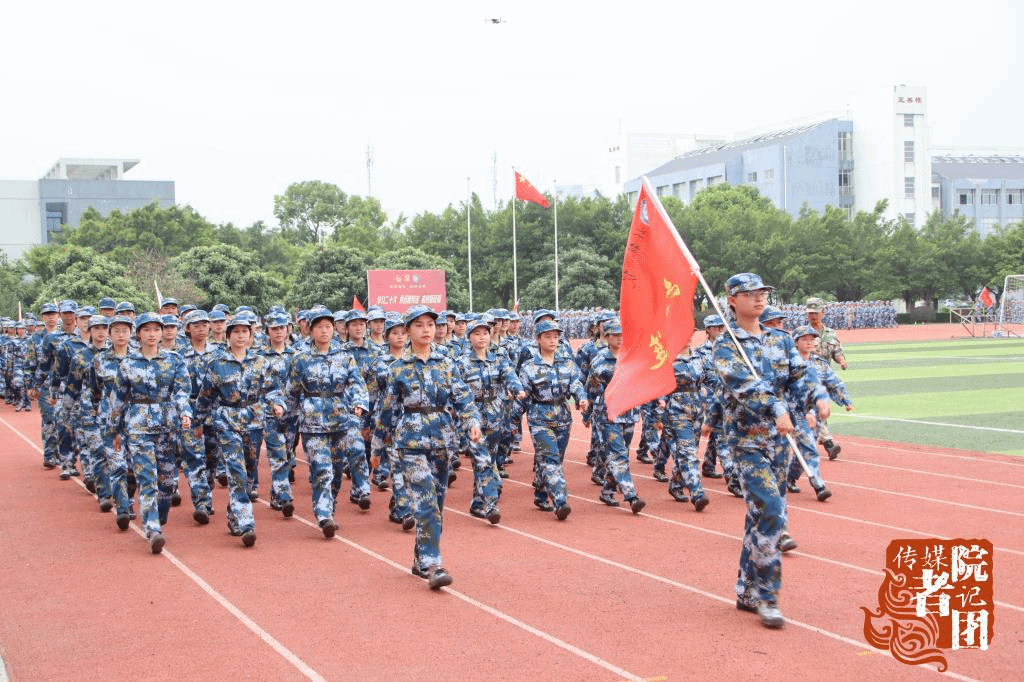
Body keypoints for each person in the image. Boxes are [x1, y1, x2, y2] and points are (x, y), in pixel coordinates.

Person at [714, 273, 810, 629]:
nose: (759, 299)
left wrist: (818, 398)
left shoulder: (780, 340)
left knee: (759, 515)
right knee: (772, 510)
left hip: (780, 442)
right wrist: (777, 408)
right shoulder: (726, 346)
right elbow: (745, 387)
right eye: (750, 294)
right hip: (747, 441)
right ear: (732, 300)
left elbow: (801, 377)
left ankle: (746, 589)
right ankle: (767, 596)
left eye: (763, 293)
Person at [374, 305, 482, 589]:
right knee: (425, 502)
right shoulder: (397, 368)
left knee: (438, 504)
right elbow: (388, 412)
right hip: (410, 442)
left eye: (430, 325)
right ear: (407, 330)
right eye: (419, 325)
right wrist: (377, 448)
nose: (426, 330)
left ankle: (420, 557)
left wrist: (472, 421)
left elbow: (463, 398)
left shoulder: (446, 363)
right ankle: (433, 563)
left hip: (442, 440)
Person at [108, 312, 192, 554]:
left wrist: (185, 412)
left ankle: (159, 515)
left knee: (167, 482)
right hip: (138, 426)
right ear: (139, 334)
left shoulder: (174, 360)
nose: (152, 334)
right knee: (147, 478)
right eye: (147, 330)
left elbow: (182, 391)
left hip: (167, 425)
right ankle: (153, 528)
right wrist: (114, 429)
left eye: (156, 329)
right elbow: (118, 399)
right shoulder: (128, 363)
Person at [196, 315, 283, 547]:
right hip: (227, 421)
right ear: (228, 336)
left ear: (251, 336)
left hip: (253, 421)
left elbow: (272, 389)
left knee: (249, 471)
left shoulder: (260, 362)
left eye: (245, 332)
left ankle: (234, 514)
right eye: (236, 332)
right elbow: (206, 396)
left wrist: (277, 404)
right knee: (236, 471)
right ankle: (246, 523)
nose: (241, 336)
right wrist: (197, 422)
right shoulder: (217, 364)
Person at [284, 305, 370, 539]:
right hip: (312, 422)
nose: (324, 331)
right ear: (310, 330)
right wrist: (286, 423)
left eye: (328, 327)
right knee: (321, 469)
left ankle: (329, 507)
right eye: (319, 327)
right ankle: (323, 514)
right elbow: (291, 393)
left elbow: (357, 383)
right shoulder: (300, 359)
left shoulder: (345, 356)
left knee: (336, 469)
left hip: (340, 420)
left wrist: (359, 403)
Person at [456, 315, 525, 523]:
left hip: (495, 414)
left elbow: (510, 375)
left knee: (488, 460)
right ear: (469, 337)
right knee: (482, 460)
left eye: (485, 333)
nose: (482, 337)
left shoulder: (498, 358)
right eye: (477, 334)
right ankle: (490, 504)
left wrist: (518, 389)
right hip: (472, 416)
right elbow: (455, 390)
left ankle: (477, 503)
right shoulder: (461, 363)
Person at [519, 319, 589, 521]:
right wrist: (512, 421)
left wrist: (581, 398)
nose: (552, 340)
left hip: (562, 417)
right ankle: (560, 501)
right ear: (538, 339)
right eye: (548, 337)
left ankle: (541, 493)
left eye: (556, 337)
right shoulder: (529, 367)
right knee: (550, 459)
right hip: (539, 417)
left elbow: (576, 384)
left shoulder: (567, 363)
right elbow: (523, 396)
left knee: (554, 459)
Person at [586, 319, 647, 514]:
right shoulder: (600, 361)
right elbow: (592, 389)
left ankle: (607, 491)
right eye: (616, 335)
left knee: (621, 454)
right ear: (607, 337)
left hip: (629, 413)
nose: (620, 339)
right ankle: (631, 495)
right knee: (619, 454)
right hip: (608, 414)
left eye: (623, 335)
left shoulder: (632, 358)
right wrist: (588, 413)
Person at [91, 315, 137, 527]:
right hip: (109, 419)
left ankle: (129, 499)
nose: (120, 335)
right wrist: (99, 410)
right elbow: (95, 389)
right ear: (110, 334)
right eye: (116, 331)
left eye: (124, 331)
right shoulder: (100, 360)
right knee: (117, 464)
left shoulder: (138, 357)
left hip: (136, 418)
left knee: (133, 466)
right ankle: (123, 507)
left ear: (131, 333)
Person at [805, 297, 846, 459]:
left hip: (825, 378)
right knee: (817, 409)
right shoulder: (802, 333)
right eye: (810, 313)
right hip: (807, 378)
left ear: (823, 313)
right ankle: (829, 444)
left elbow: (836, 351)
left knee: (821, 411)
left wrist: (842, 361)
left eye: (816, 313)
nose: (813, 316)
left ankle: (811, 440)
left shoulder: (830, 333)